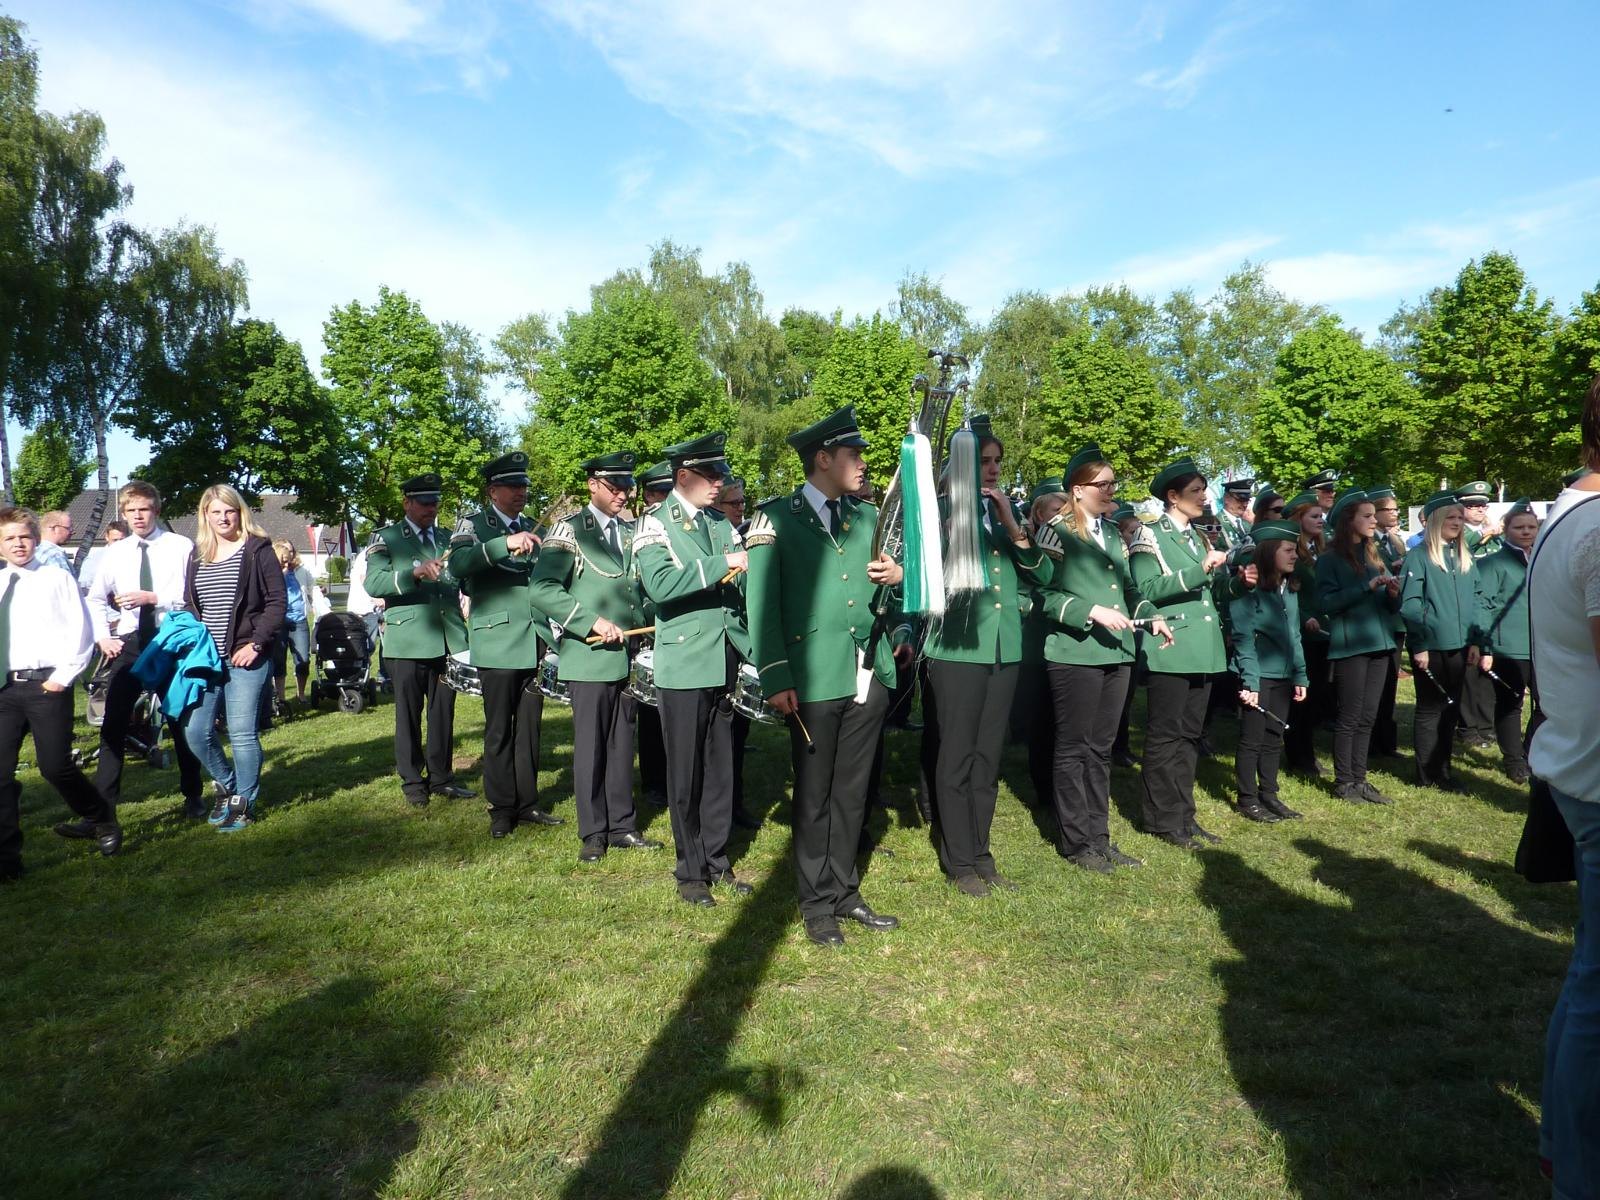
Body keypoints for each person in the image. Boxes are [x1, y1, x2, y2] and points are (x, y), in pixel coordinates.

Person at [746, 407, 907, 942]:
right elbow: (762, 606)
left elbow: (887, 589)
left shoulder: (868, 517)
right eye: (853, 454)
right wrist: (775, 676)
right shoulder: (775, 519)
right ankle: (816, 903)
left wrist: (898, 575)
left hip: (867, 672)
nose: (863, 464)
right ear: (823, 459)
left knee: (852, 792)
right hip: (811, 676)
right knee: (813, 795)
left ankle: (844, 891)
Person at [919, 415, 1048, 896]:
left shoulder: (1004, 513)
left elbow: (1041, 574)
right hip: (958, 648)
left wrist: (1012, 524)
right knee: (957, 757)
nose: (993, 469)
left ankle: (981, 853)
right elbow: (922, 578)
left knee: (987, 759)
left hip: (1003, 646)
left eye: (997, 461)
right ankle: (959, 861)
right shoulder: (938, 510)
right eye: (983, 461)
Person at [1527, 382, 1600, 1197]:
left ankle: (1562, 1150)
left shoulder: (1571, 514)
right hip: (1597, 777)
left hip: (1581, 769)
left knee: (1590, 975)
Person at [634, 432, 753, 907]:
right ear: (684, 476)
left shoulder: (720, 523)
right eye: (711, 474)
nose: (719, 482)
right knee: (685, 774)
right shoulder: (654, 524)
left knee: (721, 770)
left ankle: (717, 860)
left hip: (724, 658)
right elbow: (660, 585)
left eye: (721, 473)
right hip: (684, 663)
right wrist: (722, 563)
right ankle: (690, 872)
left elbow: (741, 590)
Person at [1037, 446, 1168, 871]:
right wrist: (1090, 611)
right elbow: (1042, 594)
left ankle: (1099, 837)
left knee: (1101, 749)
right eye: (1103, 484)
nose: (1111, 490)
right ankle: (1077, 843)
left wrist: (1151, 615)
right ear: (1077, 489)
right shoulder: (1055, 532)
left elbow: (1129, 589)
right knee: (1074, 748)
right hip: (1075, 651)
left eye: (1113, 483)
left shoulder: (1111, 533)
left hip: (1117, 650)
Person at [531, 451, 661, 862]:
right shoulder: (569, 530)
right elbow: (542, 589)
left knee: (622, 743)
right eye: (614, 486)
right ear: (592, 485)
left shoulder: (632, 531)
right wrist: (591, 622)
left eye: (628, 486)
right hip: (589, 656)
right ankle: (593, 832)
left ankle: (622, 825)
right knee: (591, 747)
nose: (623, 493)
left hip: (628, 655)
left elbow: (638, 590)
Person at [0, 507, 120, 880]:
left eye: (24, 536)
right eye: (9, 538)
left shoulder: (55, 578)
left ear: (36, 539)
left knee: (54, 766)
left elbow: (80, 631)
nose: (18, 544)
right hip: (4, 688)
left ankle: (100, 817)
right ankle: (7, 860)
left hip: (46, 684)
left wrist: (61, 678)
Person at [448, 451, 561, 838]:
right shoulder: (474, 524)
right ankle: (501, 808)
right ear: (493, 491)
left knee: (529, 729)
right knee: (499, 729)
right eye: (513, 486)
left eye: (524, 485)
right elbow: (458, 565)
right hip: (497, 640)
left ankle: (527, 802)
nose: (521, 492)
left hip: (534, 639)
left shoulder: (535, 526)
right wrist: (503, 544)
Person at [81, 481, 206, 820]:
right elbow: (94, 598)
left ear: (157, 511)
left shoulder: (180, 546)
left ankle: (193, 794)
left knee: (179, 720)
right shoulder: (115, 552)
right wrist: (102, 637)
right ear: (124, 513)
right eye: (131, 510)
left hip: (170, 639)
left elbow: (194, 596)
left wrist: (154, 598)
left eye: (144, 509)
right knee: (113, 724)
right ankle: (103, 811)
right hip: (131, 642)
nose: (138, 516)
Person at [1129, 458, 1230, 849]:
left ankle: (1184, 814)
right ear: (1173, 496)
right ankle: (1161, 818)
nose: (1204, 497)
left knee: (1190, 736)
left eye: (1204, 490)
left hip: (1201, 647)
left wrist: (1238, 582)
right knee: (1165, 736)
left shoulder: (1198, 536)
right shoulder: (1149, 534)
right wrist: (1199, 571)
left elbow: (1209, 594)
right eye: (1195, 491)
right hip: (1171, 645)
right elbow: (1147, 588)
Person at [178, 485, 286, 832]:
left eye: (230, 511)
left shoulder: (258, 550)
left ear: (240, 513)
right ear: (205, 516)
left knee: (241, 733)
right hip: (207, 660)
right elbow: (192, 603)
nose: (224, 518)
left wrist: (256, 644)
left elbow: (277, 602)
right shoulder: (197, 555)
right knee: (196, 732)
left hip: (246, 657)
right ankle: (227, 785)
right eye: (216, 512)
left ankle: (244, 803)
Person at [364, 473, 474, 808]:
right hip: (409, 642)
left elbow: (461, 578)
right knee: (408, 716)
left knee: (443, 714)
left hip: (448, 639)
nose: (431, 509)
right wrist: (413, 573)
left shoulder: (447, 537)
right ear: (407, 503)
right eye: (424, 503)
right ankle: (413, 781)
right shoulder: (387, 538)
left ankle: (441, 778)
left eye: (435, 502)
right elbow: (374, 583)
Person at [1316, 489, 1401, 805]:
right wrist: (1366, 587)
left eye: (1373, 515)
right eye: (1366, 516)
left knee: (1368, 716)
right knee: (1350, 716)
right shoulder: (1330, 559)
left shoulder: (1374, 554)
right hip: (1351, 646)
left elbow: (1390, 607)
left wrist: (1393, 594)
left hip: (1380, 643)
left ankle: (1360, 779)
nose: (1373, 520)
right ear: (1348, 521)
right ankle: (1344, 782)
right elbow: (1327, 603)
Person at [1399, 490, 1487, 792]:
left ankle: (1444, 770)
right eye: (1450, 517)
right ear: (1436, 519)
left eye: (1460, 517)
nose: (1457, 522)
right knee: (1430, 709)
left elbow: (1477, 599)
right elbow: (1410, 605)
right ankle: (1426, 773)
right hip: (1432, 646)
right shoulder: (1419, 556)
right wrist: (1420, 644)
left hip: (1461, 645)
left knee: (1451, 708)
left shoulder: (1464, 555)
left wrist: (1476, 641)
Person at [1228, 520, 1307, 823]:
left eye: (1295, 549)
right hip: (1258, 674)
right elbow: (1243, 638)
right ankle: (1247, 799)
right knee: (1252, 738)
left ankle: (1270, 794)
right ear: (1269, 552)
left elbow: (1295, 634)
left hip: (1283, 674)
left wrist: (1300, 674)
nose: (1295, 555)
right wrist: (1250, 682)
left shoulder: (1289, 588)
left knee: (1274, 736)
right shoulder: (1249, 590)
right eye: (1288, 550)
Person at [710, 473, 760, 830]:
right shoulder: (711, 538)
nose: (741, 508)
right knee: (717, 738)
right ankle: (718, 810)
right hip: (717, 647)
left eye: (743, 501)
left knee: (739, 733)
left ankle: (735, 803)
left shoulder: (745, 537)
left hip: (744, 644)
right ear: (717, 505)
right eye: (734, 502)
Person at [1476, 499, 1537, 784]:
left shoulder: (1542, 559)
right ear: (1506, 529)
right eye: (1519, 527)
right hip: (1509, 646)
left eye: (1531, 527)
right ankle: (1514, 761)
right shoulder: (1493, 563)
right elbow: (1483, 606)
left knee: (1547, 705)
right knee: (1511, 704)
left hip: (1542, 646)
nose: (1526, 532)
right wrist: (1485, 647)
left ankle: (1531, 752)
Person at [633, 460, 673, 809]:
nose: (665, 497)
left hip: (673, 628)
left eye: (669, 491)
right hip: (644, 632)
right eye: (660, 492)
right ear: (647, 495)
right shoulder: (639, 529)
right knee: (649, 711)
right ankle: (654, 780)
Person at [1281, 491, 1331, 775]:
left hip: (1324, 632)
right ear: (1298, 519)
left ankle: (1308, 753)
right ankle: (1297, 755)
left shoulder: (1321, 550)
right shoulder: (1292, 553)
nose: (1320, 521)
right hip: (1302, 633)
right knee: (1300, 698)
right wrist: (1303, 618)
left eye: (1321, 516)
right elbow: (1285, 594)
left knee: (1316, 698)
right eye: (1314, 516)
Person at [1455, 480, 1500, 747]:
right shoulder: (1460, 534)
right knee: (1469, 674)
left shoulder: (1495, 537)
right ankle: (1467, 726)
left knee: (1487, 673)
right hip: (1468, 609)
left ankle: (1486, 724)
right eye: (1473, 505)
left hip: (1492, 611)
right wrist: (1482, 534)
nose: (1480, 509)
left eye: (1483, 505)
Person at [1368, 485, 1407, 758]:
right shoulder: (1371, 542)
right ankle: (1376, 740)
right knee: (1377, 686)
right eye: (1388, 510)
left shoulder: (1394, 540)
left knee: (1390, 683)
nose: (1394, 514)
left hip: (1395, 616)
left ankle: (1386, 739)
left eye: (1396, 509)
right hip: (1379, 618)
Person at [270, 538, 323, 710]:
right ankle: (281, 698)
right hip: (279, 621)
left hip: (299, 620)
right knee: (278, 659)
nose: (289, 554)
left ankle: (301, 694)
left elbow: (313, 589)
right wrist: (282, 573)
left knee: (303, 659)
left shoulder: (301, 570)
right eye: (285, 551)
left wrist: (320, 607)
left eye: (291, 551)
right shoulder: (272, 571)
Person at [344, 543, 388, 687]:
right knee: (365, 647)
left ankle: (384, 676)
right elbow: (364, 578)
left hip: (374, 610)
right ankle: (358, 677)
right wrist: (378, 599)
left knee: (386, 643)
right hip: (364, 610)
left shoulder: (377, 553)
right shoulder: (368, 555)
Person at [1216, 478, 1255, 549]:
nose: (1245, 505)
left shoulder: (1247, 525)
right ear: (1226, 498)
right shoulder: (1215, 523)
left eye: (1247, 500)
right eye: (1241, 500)